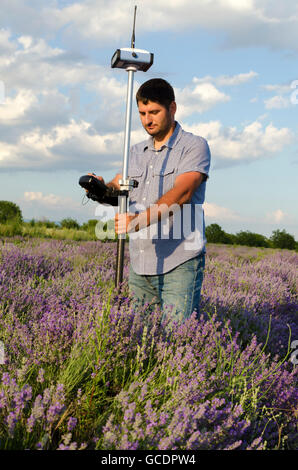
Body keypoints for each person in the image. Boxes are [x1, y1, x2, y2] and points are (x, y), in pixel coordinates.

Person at [93, 78, 211, 323]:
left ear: (172, 108)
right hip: (141, 263)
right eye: (142, 113)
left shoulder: (194, 146)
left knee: (176, 339)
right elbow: (120, 187)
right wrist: (101, 188)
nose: (148, 119)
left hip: (180, 260)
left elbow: (182, 193)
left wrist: (137, 221)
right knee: (141, 338)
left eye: (154, 112)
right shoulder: (134, 152)